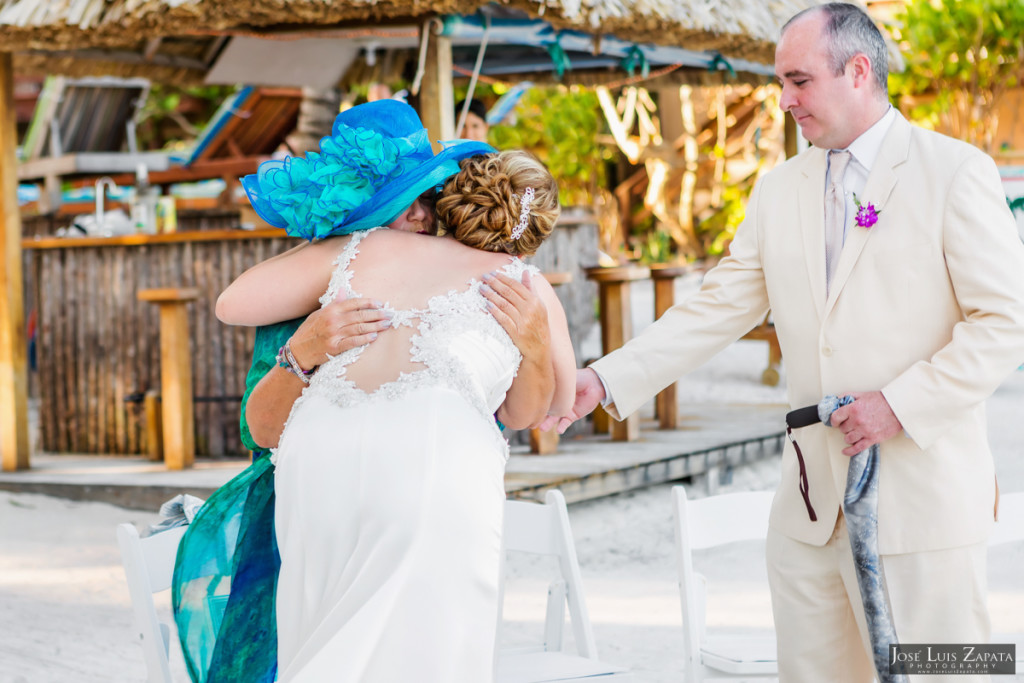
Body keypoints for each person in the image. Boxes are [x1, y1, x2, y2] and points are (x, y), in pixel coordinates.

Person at [556, 4, 1024, 681]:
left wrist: (898, 403)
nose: (784, 101)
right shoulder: (778, 190)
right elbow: (717, 307)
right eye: (781, 82)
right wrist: (605, 379)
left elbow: (1005, 320)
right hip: (808, 513)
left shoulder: (954, 172)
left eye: (798, 81)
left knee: (950, 674)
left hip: (925, 509)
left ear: (859, 71)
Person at [171, 100, 565, 683]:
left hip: (318, 463)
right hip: (432, 465)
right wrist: (535, 347)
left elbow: (234, 304)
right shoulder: (523, 283)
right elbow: (539, 411)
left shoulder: (354, 251)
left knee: (323, 632)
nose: (419, 215)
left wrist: (339, 241)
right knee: (425, 650)